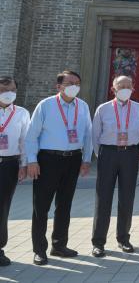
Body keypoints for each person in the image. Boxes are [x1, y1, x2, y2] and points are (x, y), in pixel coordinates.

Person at [25, 70, 92, 266]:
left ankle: (59, 245)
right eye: (70, 82)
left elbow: (88, 135)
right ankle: (39, 250)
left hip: (73, 159)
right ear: (59, 86)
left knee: (64, 205)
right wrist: (31, 160)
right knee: (41, 207)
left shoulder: (83, 106)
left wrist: (86, 159)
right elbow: (32, 135)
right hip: (48, 160)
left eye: (78, 83)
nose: (75, 86)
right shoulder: (45, 105)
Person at [91, 75, 139, 257]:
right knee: (103, 197)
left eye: (128, 86)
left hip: (129, 153)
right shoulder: (103, 109)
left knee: (127, 197)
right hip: (108, 152)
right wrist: (103, 155)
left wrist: (132, 150)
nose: (125, 88)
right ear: (113, 89)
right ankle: (98, 242)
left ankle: (124, 238)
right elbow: (95, 134)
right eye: (121, 86)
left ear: (133, 88)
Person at [0, 76, 29, 266]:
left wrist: (24, 164)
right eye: (3, 90)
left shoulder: (22, 113)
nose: (8, 93)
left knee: (3, 208)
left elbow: (25, 141)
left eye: (12, 89)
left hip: (9, 165)